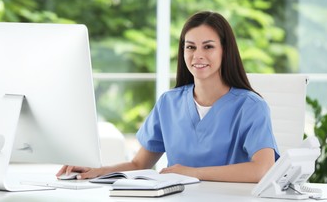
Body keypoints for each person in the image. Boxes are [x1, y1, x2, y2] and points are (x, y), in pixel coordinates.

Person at [57, 11, 279, 183]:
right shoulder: (169, 103)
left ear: (225, 51)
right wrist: (96, 171)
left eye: (208, 47)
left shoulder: (251, 106)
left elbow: (262, 169)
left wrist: (192, 173)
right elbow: (139, 164)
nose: (197, 55)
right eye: (190, 47)